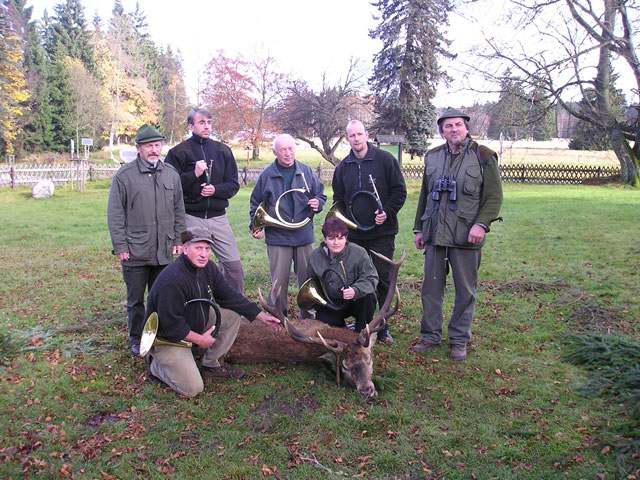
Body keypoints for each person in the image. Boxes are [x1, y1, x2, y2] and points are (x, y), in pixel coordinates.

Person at [144, 227, 281, 397]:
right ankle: (155, 365)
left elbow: (228, 295)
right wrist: (199, 340)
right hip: (168, 338)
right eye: (198, 248)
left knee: (231, 317)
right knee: (192, 389)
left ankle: (211, 365)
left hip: (191, 319)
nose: (204, 254)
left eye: (207, 249)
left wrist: (261, 315)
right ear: (185, 249)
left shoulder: (208, 268)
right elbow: (171, 325)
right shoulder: (172, 281)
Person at [412, 108, 503, 361]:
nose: (454, 129)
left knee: (465, 291)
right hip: (435, 234)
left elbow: (494, 197)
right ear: (442, 131)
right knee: (430, 289)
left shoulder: (483, 156)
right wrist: (419, 228)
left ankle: (459, 340)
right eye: (448, 126)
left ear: (466, 128)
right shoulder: (432, 157)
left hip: (466, 235)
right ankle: (430, 336)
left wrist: (481, 224)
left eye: (458, 125)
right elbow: (425, 195)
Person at [107, 124, 186, 357]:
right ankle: (137, 338)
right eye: (149, 146)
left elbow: (179, 210)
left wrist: (179, 239)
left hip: (164, 248)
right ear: (139, 148)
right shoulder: (124, 176)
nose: (154, 150)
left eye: (157, 145)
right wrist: (120, 246)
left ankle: (161, 334)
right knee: (135, 300)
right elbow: (115, 214)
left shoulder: (171, 174)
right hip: (135, 250)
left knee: (162, 296)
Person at [331, 120, 407, 344]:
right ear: (347, 138)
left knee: (382, 280)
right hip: (355, 235)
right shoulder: (343, 168)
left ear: (366, 135)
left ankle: (383, 327)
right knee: (357, 280)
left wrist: (387, 212)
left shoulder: (385, 160)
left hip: (382, 234)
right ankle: (363, 324)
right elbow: (338, 200)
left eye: (359, 134)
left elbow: (399, 192)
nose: (356, 139)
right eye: (352, 135)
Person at [165, 108, 244, 294]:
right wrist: (193, 174)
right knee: (191, 267)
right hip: (190, 217)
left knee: (233, 267)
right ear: (191, 126)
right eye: (201, 122)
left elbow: (233, 184)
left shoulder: (223, 151)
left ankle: (233, 307)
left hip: (218, 218)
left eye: (209, 122)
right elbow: (169, 186)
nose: (207, 126)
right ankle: (193, 305)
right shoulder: (178, 153)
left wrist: (216, 190)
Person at [250, 134, 326, 318]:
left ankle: (308, 320)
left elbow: (320, 195)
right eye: (282, 149)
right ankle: (278, 320)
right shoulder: (266, 175)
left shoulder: (306, 171)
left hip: (304, 235)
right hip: (278, 237)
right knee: (279, 282)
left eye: (290, 148)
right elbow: (255, 203)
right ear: (274, 152)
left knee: (307, 281)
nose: (287, 153)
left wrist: (318, 203)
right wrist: (256, 225)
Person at [307, 218, 378, 333]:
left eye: (340, 238)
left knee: (368, 298)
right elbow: (311, 283)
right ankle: (340, 327)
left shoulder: (359, 253)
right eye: (331, 238)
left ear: (346, 238)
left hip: (355, 301)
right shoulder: (315, 256)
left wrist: (355, 290)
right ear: (325, 239)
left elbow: (371, 278)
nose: (336, 243)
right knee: (327, 330)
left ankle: (361, 332)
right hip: (331, 303)